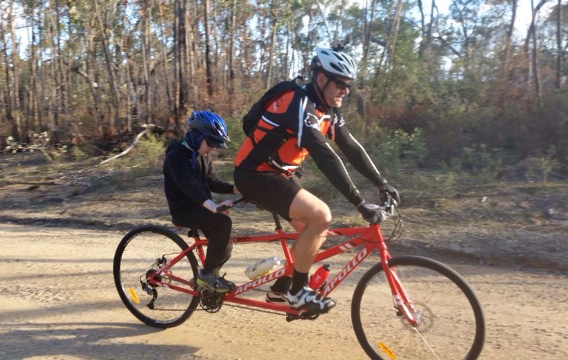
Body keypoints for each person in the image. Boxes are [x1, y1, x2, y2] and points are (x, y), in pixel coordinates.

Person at [233, 45, 400, 314]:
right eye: (341, 84)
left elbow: (351, 148)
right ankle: (299, 293)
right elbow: (325, 157)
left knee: (313, 233)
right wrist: (359, 202)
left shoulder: (329, 110)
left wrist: (382, 182)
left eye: (349, 85)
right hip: (253, 174)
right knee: (321, 216)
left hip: (276, 174)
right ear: (321, 79)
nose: (346, 90)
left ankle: (281, 290)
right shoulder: (300, 105)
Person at [163, 110, 239, 293]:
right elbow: (188, 187)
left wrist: (237, 189)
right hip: (184, 210)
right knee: (223, 222)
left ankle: (208, 278)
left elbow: (212, 182)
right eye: (211, 143)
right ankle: (206, 276)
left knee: (225, 245)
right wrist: (213, 207)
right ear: (197, 137)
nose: (212, 149)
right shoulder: (175, 156)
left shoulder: (204, 156)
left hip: (201, 207)